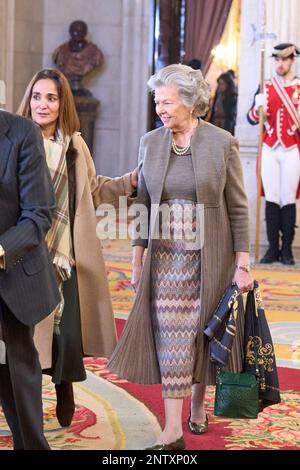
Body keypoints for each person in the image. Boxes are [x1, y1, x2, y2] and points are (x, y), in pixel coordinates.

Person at [108, 64, 253, 449]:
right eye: (157, 101)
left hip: (211, 255)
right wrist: (137, 261)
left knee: (203, 332)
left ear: (190, 102)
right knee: (172, 336)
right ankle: (172, 427)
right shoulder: (150, 142)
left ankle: (199, 404)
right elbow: (141, 205)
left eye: (167, 101)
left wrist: (243, 263)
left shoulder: (223, 143)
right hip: (164, 257)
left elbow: (238, 207)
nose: (160, 108)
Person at [17, 68, 138, 428]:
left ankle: (65, 384)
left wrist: (130, 182)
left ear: (62, 103)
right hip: (25, 252)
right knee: (25, 333)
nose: (43, 104)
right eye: (37, 96)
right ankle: (28, 403)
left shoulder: (74, 145)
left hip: (66, 253)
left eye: (51, 98)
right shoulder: (14, 140)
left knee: (65, 331)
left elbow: (95, 189)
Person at [0, 110, 60, 449]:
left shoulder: (22, 133)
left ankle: (33, 445)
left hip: (14, 270)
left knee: (18, 368)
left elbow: (39, 213)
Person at [247, 43, 300, 265]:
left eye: (284, 60)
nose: (280, 64)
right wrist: (257, 107)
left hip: (291, 148)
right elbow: (250, 119)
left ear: (292, 61)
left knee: (288, 198)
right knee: (271, 198)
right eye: (277, 60)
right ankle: (272, 249)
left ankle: (286, 250)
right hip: (269, 147)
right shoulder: (265, 87)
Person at [53, 20, 103, 85]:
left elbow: (97, 61)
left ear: (85, 33)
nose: (77, 34)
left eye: (81, 31)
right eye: (75, 31)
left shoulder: (95, 52)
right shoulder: (60, 51)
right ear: (70, 32)